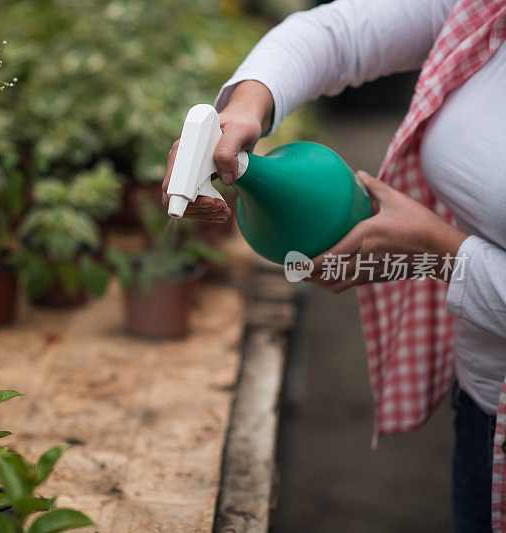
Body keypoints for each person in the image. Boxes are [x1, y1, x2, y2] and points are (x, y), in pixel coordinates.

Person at [162, 0, 506, 530]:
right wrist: (243, 109)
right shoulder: (488, 9)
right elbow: (338, 34)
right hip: (482, 398)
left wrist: (439, 252)